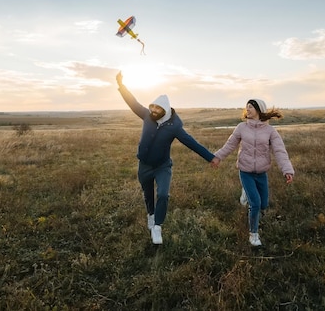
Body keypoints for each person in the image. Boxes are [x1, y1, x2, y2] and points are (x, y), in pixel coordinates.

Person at [116, 71, 218, 245]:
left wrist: (210, 157)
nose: (154, 110)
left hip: (163, 166)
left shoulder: (174, 126)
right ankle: (151, 215)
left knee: (162, 194)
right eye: (152, 107)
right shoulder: (147, 116)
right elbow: (132, 102)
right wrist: (121, 85)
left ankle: (157, 227)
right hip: (145, 165)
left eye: (157, 108)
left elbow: (190, 142)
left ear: (165, 110)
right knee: (148, 194)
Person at [212, 99, 294, 247]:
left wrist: (287, 170)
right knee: (255, 204)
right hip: (245, 171)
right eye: (246, 107)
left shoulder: (270, 131)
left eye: (250, 107)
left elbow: (280, 151)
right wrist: (217, 157)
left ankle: (245, 193)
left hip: (262, 173)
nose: (247, 109)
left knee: (263, 204)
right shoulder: (241, 127)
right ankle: (253, 234)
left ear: (258, 110)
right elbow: (229, 145)